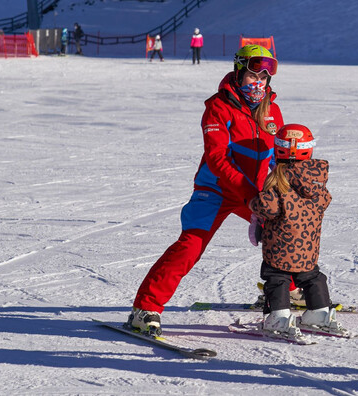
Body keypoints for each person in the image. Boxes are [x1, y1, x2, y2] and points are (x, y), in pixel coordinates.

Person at [127, 45, 282, 334]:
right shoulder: (218, 107)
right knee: (191, 245)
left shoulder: (271, 110)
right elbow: (217, 158)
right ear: (239, 72)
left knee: (284, 229)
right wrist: (250, 196)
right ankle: (145, 308)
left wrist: (280, 190)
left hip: (254, 191)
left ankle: (284, 291)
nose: (258, 82)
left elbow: (276, 156)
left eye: (264, 76)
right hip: (217, 189)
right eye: (252, 74)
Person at [249, 123, 346, 337]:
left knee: (277, 277)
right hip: (308, 245)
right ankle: (320, 312)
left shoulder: (280, 180)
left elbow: (268, 208)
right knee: (312, 276)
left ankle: (280, 317)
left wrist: (253, 204)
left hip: (280, 245)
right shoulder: (316, 180)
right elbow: (325, 200)